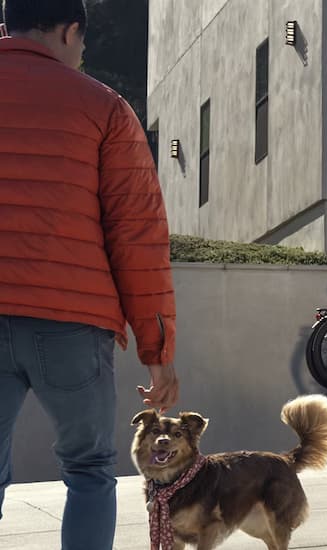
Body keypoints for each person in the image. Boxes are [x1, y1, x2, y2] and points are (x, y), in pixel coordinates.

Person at [0, 1, 180, 547]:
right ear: (69, 29)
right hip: (72, 323)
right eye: (82, 42)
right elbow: (137, 236)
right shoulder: (103, 108)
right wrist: (159, 352)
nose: (82, 54)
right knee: (89, 470)